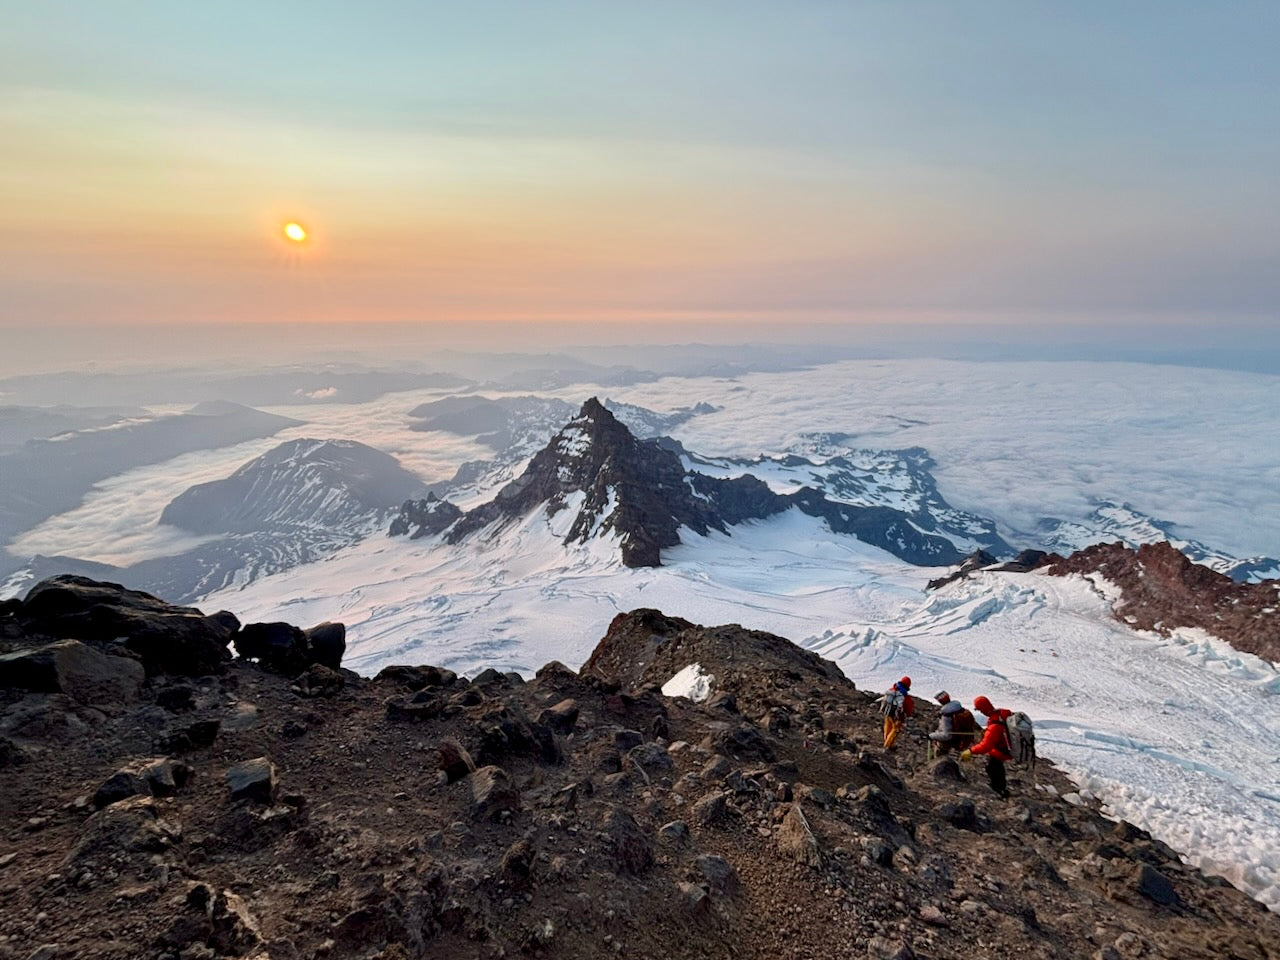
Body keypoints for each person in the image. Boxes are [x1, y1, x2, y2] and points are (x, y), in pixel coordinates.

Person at [961, 695, 1012, 799]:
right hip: (1006, 748)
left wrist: (970, 751)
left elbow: (985, 746)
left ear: (983, 708)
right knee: (995, 768)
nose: (980, 712)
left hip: (1001, 751)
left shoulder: (995, 725)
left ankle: (999, 791)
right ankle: (1001, 789)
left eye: (980, 709)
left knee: (994, 768)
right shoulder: (1001, 714)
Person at [928, 691, 977, 755]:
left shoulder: (947, 715)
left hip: (948, 746)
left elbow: (946, 735)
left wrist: (932, 736)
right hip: (963, 741)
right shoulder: (960, 709)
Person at [879, 676, 914, 750]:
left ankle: (887, 742)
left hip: (888, 712)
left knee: (887, 727)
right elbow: (909, 709)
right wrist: (908, 715)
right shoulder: (905, 696)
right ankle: (887, 745)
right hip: (897, 717)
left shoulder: (891, 690)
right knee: (895, 730)